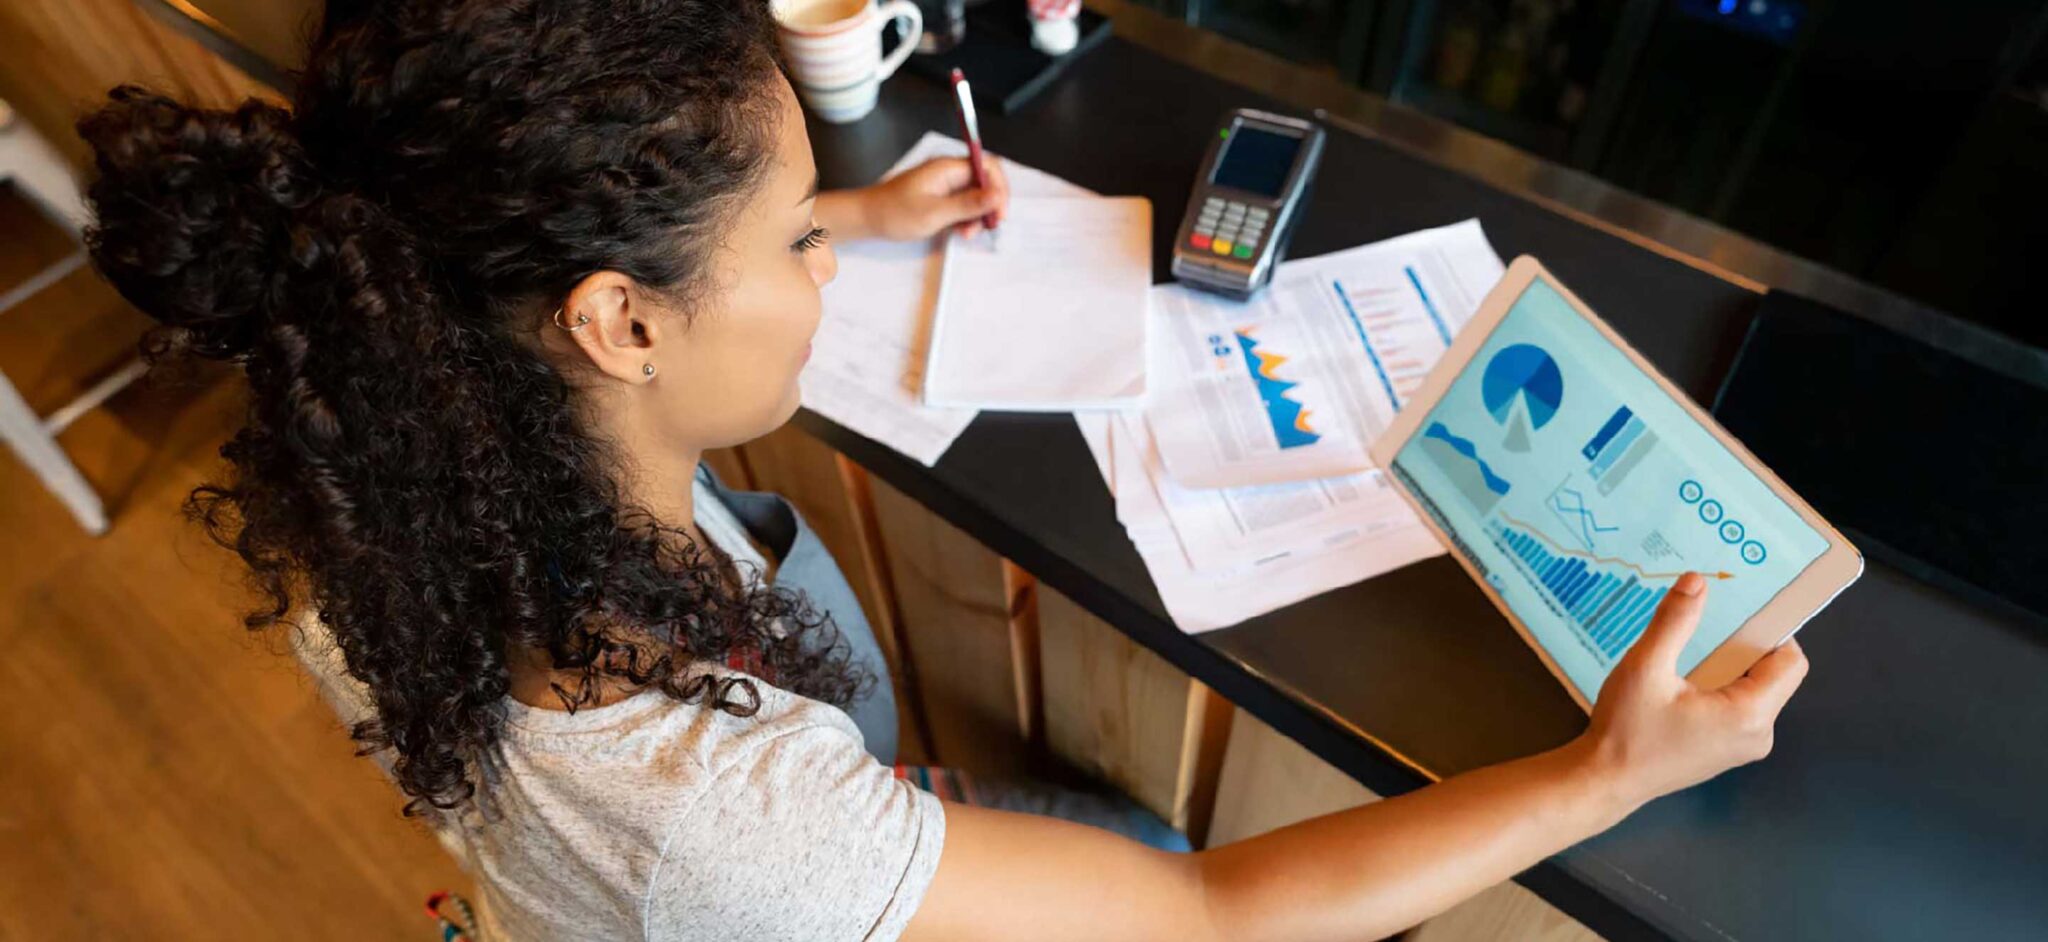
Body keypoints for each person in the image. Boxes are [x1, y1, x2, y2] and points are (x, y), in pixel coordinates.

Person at [76, 1, 1809, 939]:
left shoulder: (374, 485)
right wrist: (1606, 774)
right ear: (616, 321)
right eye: (796, 235)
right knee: (1144, 835)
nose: (830, 264)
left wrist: (847, 221)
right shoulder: (728, 826)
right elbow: (1209, 911)